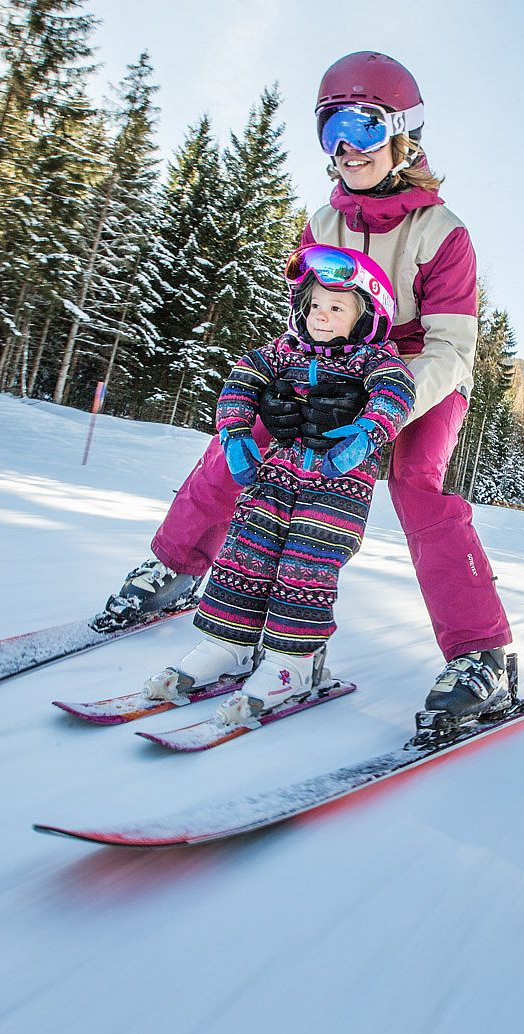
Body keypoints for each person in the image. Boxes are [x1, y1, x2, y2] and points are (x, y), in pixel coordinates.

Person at [99, 51, 514, 730]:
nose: (347, 149)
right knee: (248, 439)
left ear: (403, 134)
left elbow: (450, 347)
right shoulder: (323, 224)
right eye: (331, 131)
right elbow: (308, 313)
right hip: (332, 363)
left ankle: (481, 654)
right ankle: (171, 566)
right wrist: (290, 380)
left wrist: (381, 404)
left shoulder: (445, 234)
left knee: (418, 483)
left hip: (419, 375)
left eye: (364, 127)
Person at [142, 245, 414, 723]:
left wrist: (369, 431)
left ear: (365, 315)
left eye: (336, 308)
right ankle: (227, 646)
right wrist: (235, 431)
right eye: (313, 306)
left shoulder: (374, 360)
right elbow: (242, 379)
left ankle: (294, 662)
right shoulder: (282, 352)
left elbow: (397, 390)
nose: (321, 317)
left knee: (305, 566)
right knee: (245, 552)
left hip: (338, 481)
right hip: (276, 472)